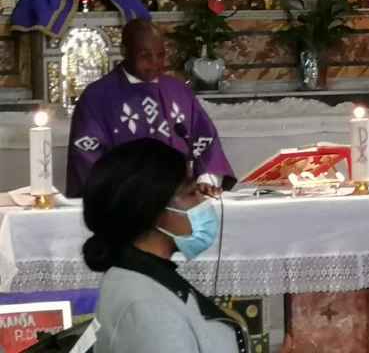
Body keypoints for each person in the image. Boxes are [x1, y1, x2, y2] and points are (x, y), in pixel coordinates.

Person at [84, 139, 249, 353]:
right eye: (191, 193)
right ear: (153, 210)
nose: (203, 202)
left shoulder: (135, 276)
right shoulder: (149, 308)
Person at [66, 19, 235, 198]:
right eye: (145, 56)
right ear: (124, 51)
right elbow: (86, 155)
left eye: (160, 55)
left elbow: (206, 140)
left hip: (180, 198)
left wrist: (205, 180)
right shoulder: (97, 97)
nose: (155, 63)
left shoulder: (178, 91)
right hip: (124, 201)